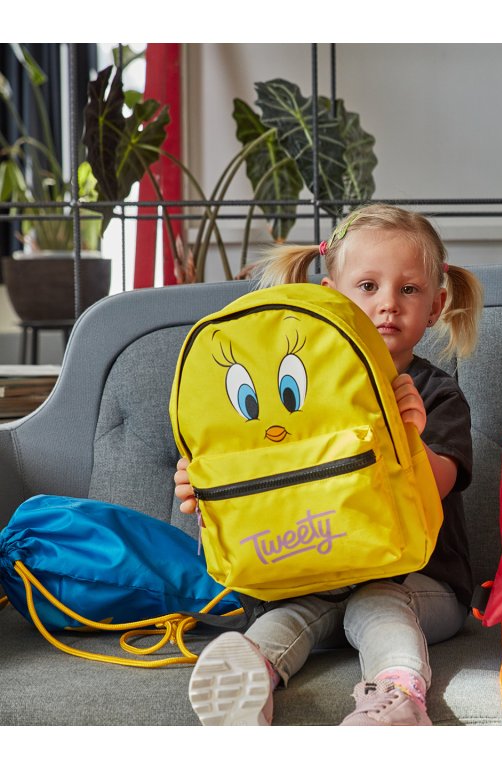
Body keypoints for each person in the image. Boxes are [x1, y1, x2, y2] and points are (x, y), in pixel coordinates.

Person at [174, 204, 483, 726]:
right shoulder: (299, 397)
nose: (388, 303)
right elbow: (271, 480)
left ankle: (398, 699)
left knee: (377, 602)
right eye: (368, 286)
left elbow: (437, 485)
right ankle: (248, 680)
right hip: (314, 577)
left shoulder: (435, 393)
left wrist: (410, 437)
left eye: (409, 289)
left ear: (436, 305)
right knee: (285, 615)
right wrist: (201, 489)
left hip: (421, 583)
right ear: (331, 296)